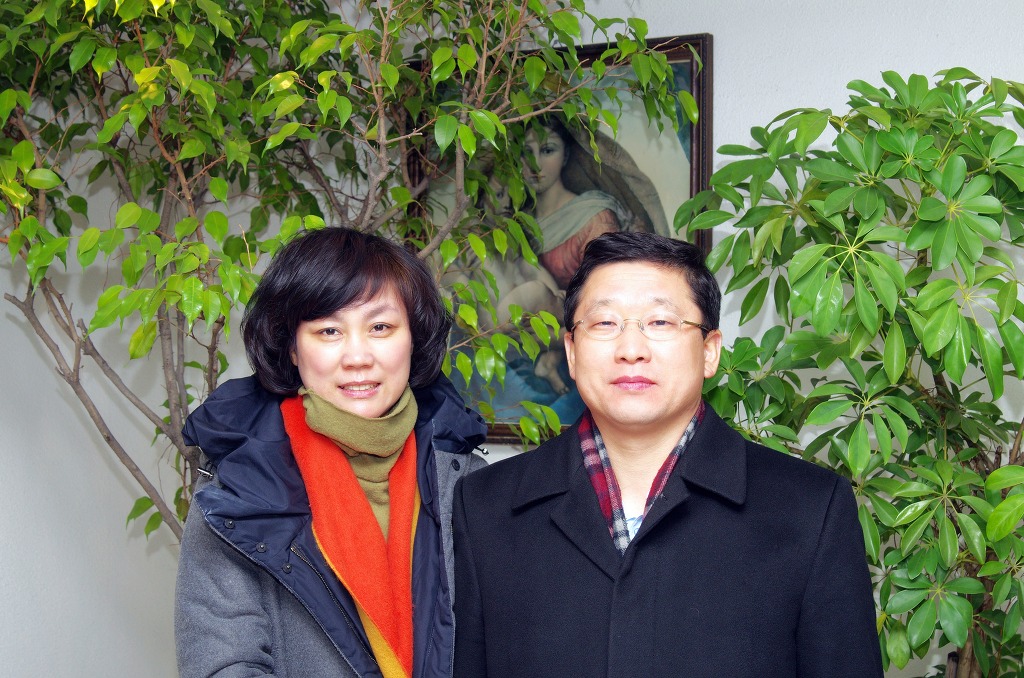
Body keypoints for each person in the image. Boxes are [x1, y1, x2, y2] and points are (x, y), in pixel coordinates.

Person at [452, 231, 883, 677]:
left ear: (710, 351)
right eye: (605, 324)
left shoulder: (810, 510)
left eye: (660, 322)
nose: (631, 350)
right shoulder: (485, 508)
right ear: (572, 352)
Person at [175, 226, 488, 678]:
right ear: (293, 348)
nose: (357, 356)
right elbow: (225, 666)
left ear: (413, 338)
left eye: (380, 327)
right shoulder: (238, 492)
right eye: (328, 330)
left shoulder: (468, 481)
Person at [524, 118, 660, 289]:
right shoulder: (519, 221)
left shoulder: (595, 217)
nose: (535, 165)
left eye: (547, 150)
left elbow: (606, 287)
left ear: (565, 156)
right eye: (526, 152)